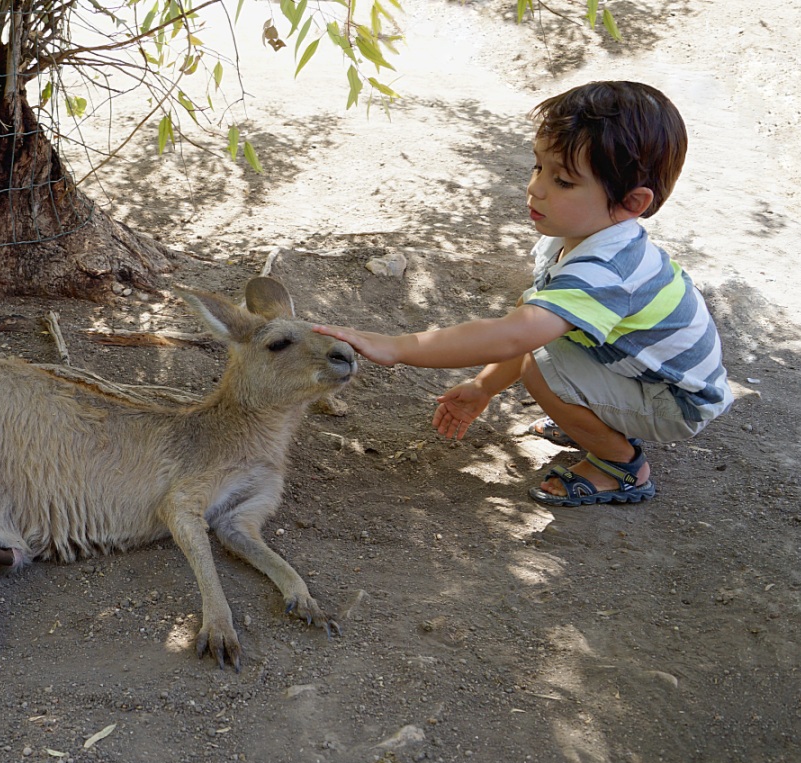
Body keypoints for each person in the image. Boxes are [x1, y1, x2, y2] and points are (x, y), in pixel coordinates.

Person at [314, 81, 732, 507]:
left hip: (678, 402)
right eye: (538, 168)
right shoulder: (580, 239)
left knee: (539, 360)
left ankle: (620, 465)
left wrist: (397, 347)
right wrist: (483, 387)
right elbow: (526, 320)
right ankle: (597, 422)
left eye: (564, 181)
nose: (536, 188)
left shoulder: (607, 271)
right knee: (535, 325)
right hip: (646, 379)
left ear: (631, 202)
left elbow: (517, 337)